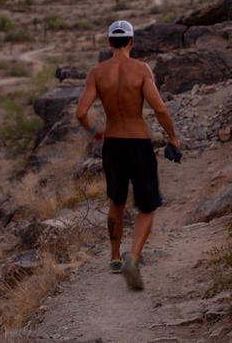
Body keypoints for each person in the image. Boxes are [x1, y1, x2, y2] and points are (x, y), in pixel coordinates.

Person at [76, 20, 180, 290]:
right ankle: (132, 258)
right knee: (147, 206)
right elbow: (159, 108)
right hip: (139, 143)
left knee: (116, 201)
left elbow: (80, 113)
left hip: (113, 144)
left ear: (110, 42)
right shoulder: (141, 70)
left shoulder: (97, 73)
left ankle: (114, 258)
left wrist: (94, 133)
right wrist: (173, 137)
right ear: (132, 41)